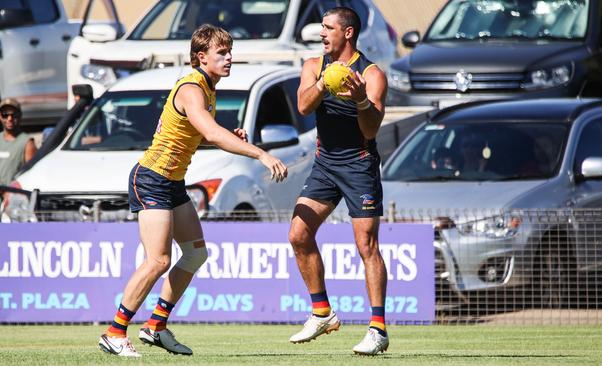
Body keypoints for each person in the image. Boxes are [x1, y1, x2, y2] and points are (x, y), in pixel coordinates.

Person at [97, 24, 288, 358]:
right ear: (201, 57)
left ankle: (156, 326)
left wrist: (234, 137)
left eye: (230, 52)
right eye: (222, 53)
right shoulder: (191, 87)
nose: (229, 59)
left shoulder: (208, 88)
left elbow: (200, 132)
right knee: (158, 260)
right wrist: (259, 152)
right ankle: (114, 332)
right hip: (151, 178)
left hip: (172, 182)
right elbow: (211, 134)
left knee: (197, 253)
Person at [288, 7, 389, 355]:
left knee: (367, 246)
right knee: (298, 235)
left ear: (347, 33)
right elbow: (303, 107)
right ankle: (322, 313)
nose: (322, 33)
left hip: (359, 165)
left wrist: (360, 98)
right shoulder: (313, 66)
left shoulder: (372, 74)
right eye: (322, 27)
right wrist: (323, 82)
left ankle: (378, 329)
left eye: (328, 28)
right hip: (324, 164)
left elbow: (371, 129)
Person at [0, 98, 37, 211]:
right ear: (0, 116)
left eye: (13, 115)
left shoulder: (27, 143)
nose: (9, 119)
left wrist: (12, 190)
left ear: (20, 116)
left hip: (15, 208)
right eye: (5, 115)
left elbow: (32, 177)